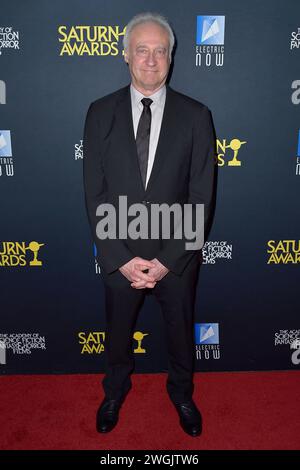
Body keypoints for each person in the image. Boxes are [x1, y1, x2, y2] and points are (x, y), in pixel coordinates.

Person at [83, 12, 216, 437]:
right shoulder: (99, 112)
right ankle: (114, 392)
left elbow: (201, 197)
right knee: (118, 336)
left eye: (161, 51)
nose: (152, 60)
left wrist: (166, 260)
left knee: (180, 336)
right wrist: (119, 258)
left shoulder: (196, 116)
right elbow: (95, 193)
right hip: (119, 255)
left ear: (172, 57)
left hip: (175, 259)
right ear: (125, 56)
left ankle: (181, 393)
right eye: (142, 50)